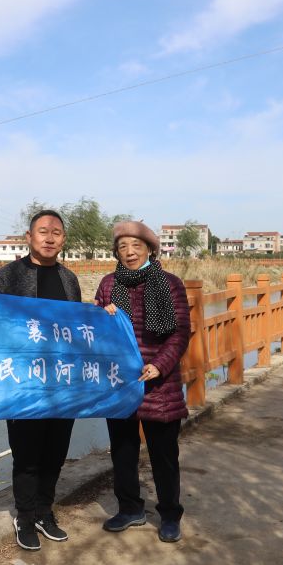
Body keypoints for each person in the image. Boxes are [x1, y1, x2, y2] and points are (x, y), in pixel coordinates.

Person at [0, 210, 83, 551]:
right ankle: (25, 516)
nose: (49, 237)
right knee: (27, 455)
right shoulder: (9, 275)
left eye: (56, 232)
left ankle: (45, 511)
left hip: (62, 384)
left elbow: (79, 330)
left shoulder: (69, 279)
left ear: (63, 240)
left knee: (55, 451)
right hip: (25, 385)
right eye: (43, 231)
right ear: (29, 237)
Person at [95, 221, 191, 543]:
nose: (129, 252)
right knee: (122, 451)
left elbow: (179, 334)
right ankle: (130, 508)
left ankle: (169, 513)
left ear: (150, 249)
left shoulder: (171, 284)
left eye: (136, 245)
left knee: (164, 455)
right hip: (120, 383)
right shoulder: (109, 285)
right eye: (122, 247)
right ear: (116, 253)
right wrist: (101, 315)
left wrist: (159, 366)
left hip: (159, 385)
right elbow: (93, 333)